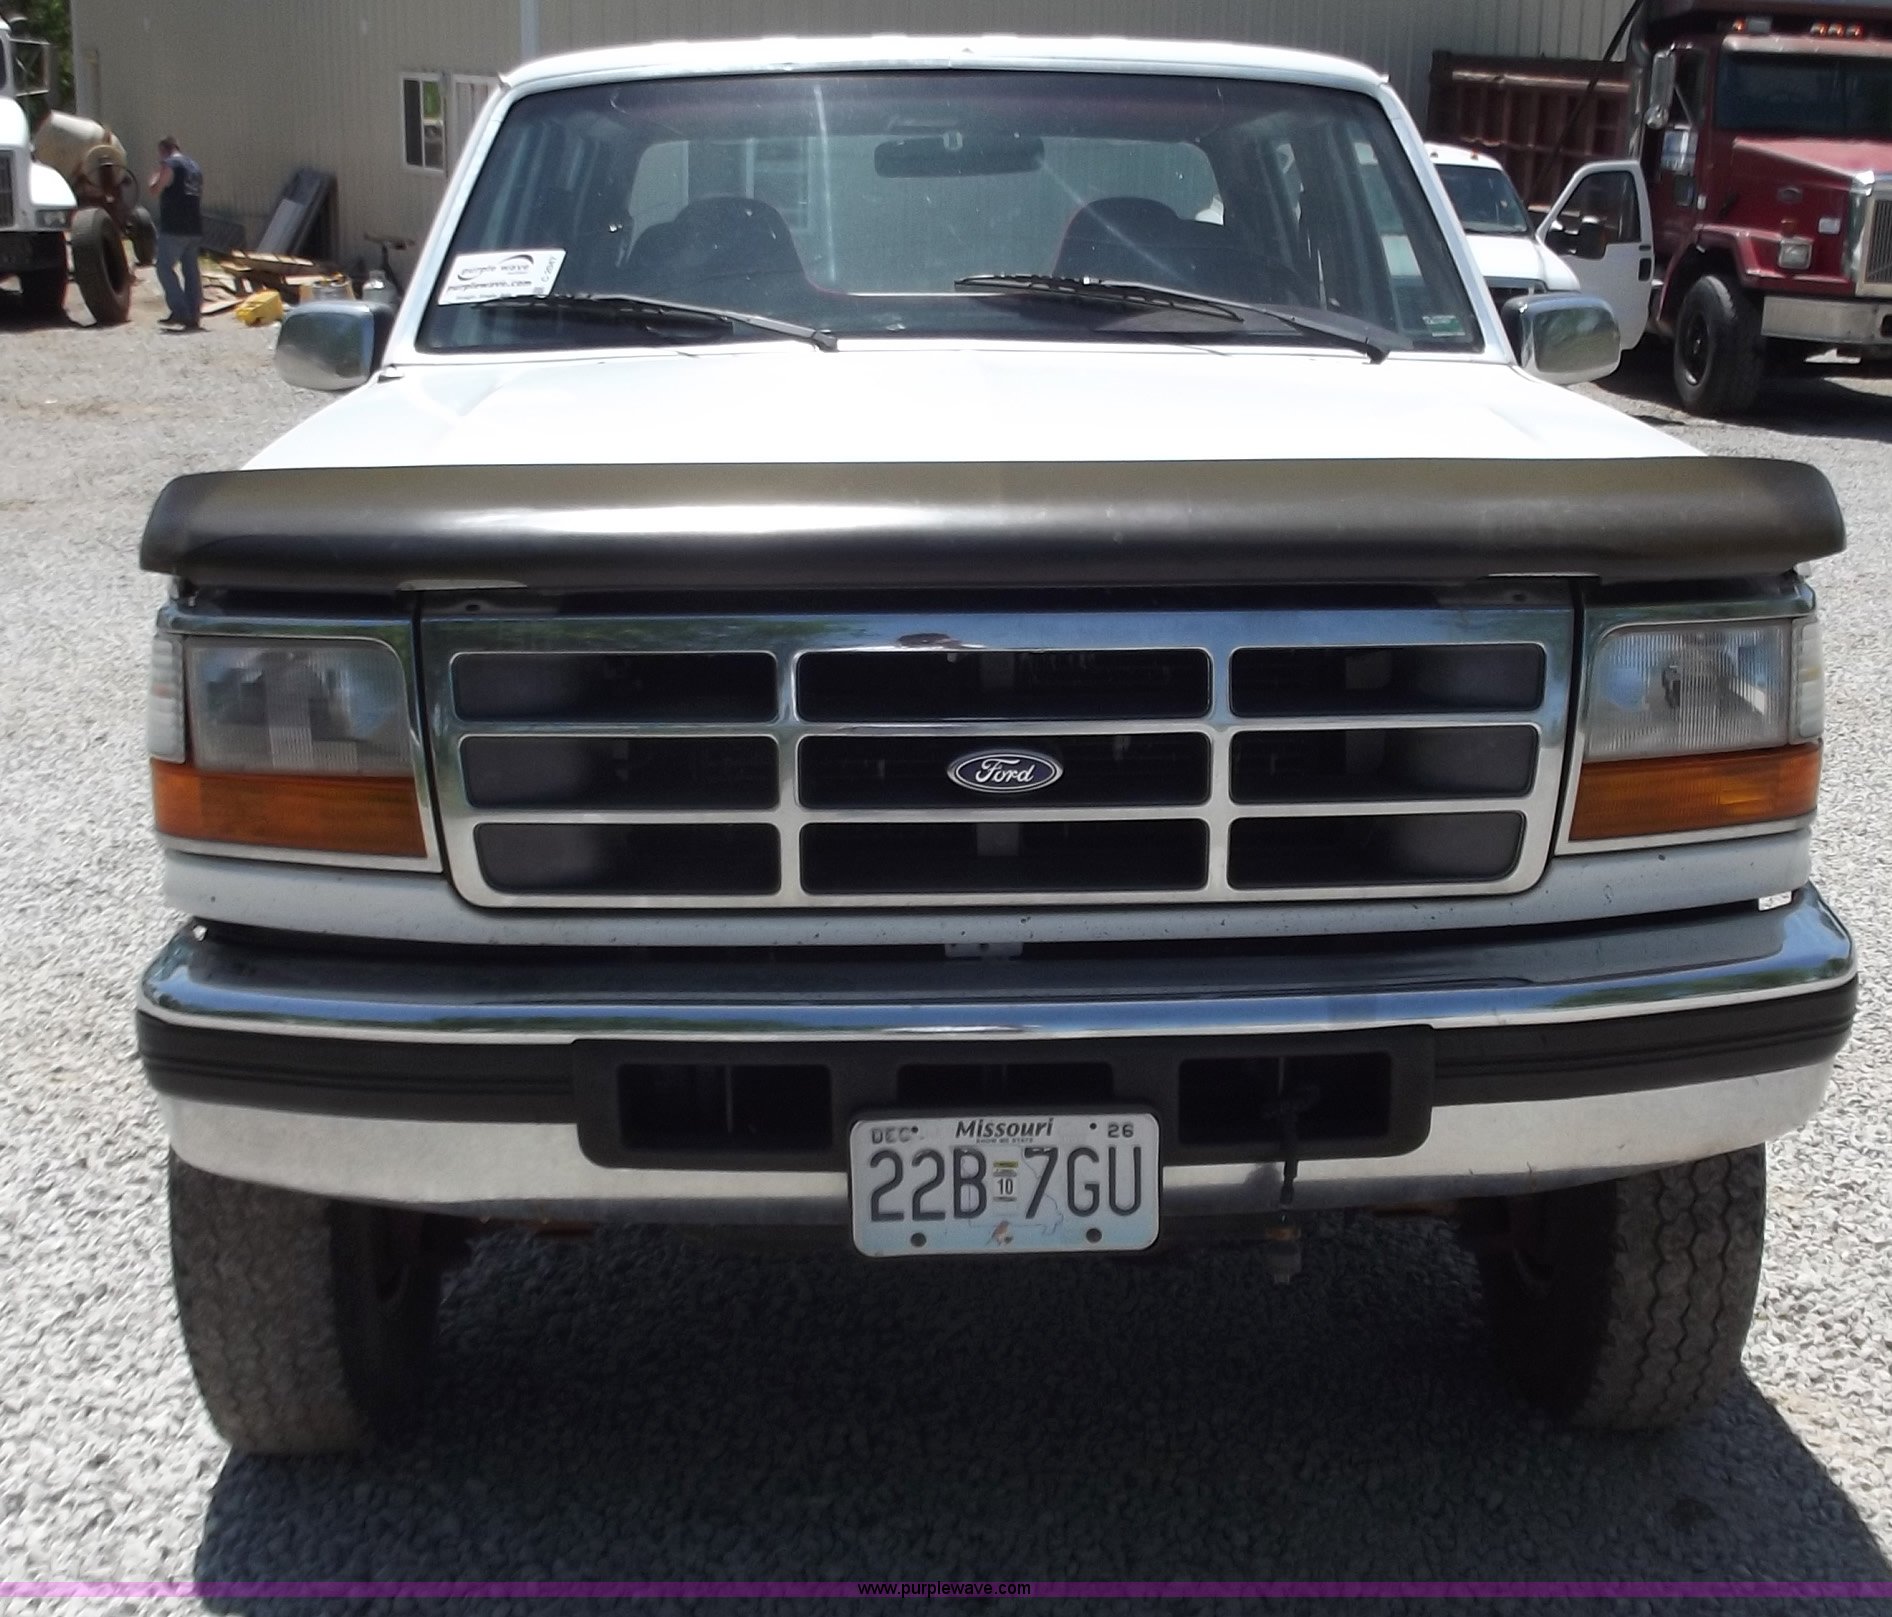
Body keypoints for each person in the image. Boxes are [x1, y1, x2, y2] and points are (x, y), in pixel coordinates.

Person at [148, 137, 204, 331]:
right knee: (191, 271)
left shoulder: (170, 164)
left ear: (164, 150)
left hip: (174, 227)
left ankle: (180, 310)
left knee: (163, 267)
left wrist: (156, 174)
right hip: (194, 226)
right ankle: (194, 314)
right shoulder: (195, 168)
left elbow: (154, 189)